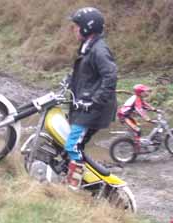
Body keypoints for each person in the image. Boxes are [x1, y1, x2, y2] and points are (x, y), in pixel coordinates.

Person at [64, 7, 118, 190]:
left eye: (76, 26)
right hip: (85, 107)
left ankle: (74, 187)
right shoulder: (88, 47)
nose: (73, 29)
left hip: (95, 110)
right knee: (71, 142)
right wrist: (69, 81)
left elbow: (110, 76)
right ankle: (71, 174)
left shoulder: (99, 50)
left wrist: (95, 100)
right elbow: (87, 76)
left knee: (73, 146)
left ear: (87, 28)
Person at [117, 84, 157, 151]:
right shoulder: (137, 99)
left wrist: (154, 109)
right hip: (123, 116)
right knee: (138, 130)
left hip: (127, 115)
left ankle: (133, 140)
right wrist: (147, 118)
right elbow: (139, 109)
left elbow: (145, 104)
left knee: (137, 127)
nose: (146, 93)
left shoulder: (138, 97)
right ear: (140, 93)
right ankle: (137, 148)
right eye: (144, 92)